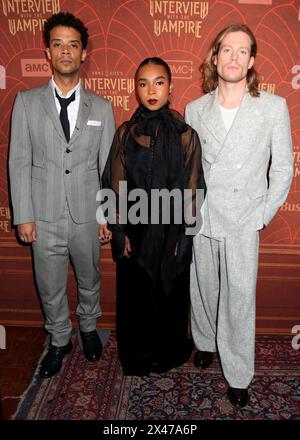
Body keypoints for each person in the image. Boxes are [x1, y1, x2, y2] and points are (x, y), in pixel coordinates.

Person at [185, 24, 293, 407]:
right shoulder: (195, 110)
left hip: (245, 218)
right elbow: (189, 168)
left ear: (252, 60)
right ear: (215, 58)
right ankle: (204, 341)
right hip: (204, 217)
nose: (233, 57)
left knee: (239, 299)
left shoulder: (271, 107)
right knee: (203, 287)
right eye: (226, 50)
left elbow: (282, 168)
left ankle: (238, 372)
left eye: (242, 51)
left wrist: (262, 214)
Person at [9, 12, 115, 379]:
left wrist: (106, 216)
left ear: (83, 53)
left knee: (90, 278)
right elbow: (19, 161)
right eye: (58, 44)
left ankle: (87, 329)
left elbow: (108, 168)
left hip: (87, 214)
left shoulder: (102, 107)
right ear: (48, 52)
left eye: (73, 44)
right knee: (49, 283)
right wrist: (23, 214)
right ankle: (58, 339)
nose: (66, 51)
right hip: (43, 214)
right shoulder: (25, 102)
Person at [102, 57, 206, 376]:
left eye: (158, 82)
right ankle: (137, 357)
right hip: (135, 230)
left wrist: (186, 237)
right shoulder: (125, 133)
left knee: (169, 298)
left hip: (172, 231)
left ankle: (166, 353)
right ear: (135, 89)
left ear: (170, 87)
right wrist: (118, 231)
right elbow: (113, 184)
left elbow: (193, 190)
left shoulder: (187, 135)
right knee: (135, 301)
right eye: (143, 83)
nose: (151, 90)